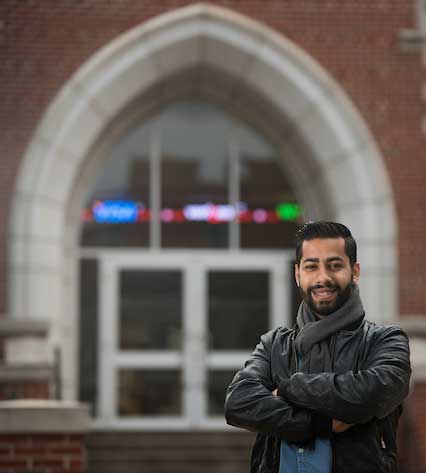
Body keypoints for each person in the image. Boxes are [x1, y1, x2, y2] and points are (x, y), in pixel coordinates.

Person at [224, 221, 411, 473]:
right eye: (311, 267)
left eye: (334, 266)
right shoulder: (274, 345)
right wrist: (321, 423)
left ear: (355, 271)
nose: (323, 277)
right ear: (297, 274)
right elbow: (238, 404)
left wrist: (288, 387)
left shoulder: (384, 340)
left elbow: (373, 393)